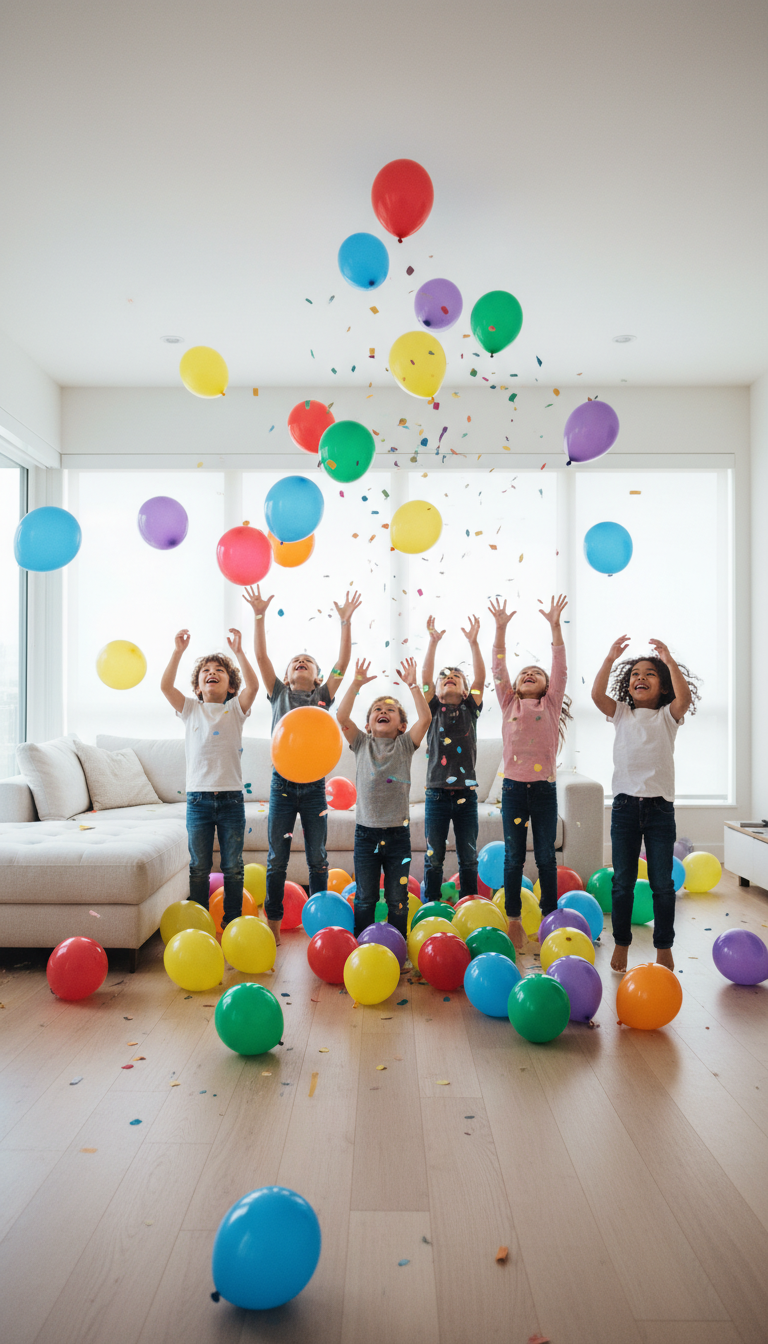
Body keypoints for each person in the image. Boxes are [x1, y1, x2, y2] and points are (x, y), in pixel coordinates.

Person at [243, 584, 361, 944]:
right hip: (282, 785)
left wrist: (345, 622)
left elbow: (342, 665)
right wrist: (259, 615)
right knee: (277, 857)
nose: (300, 663)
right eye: (295, 661)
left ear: (316, 674)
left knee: (318, 858)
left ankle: (321, 925)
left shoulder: (322, 698)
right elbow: (261, 658)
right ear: (288, 673)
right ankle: (274, 923)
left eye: (307, 661)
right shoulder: (279, 693)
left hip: (314, 788)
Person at [591, 636, 700, 972]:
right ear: (628, 684)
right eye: (635, 673)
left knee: (662, 883)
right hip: (624, 808)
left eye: (650, 674)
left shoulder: (668, 715)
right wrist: (610, 658)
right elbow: (596, 696)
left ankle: (663, 946)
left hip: (659, 810)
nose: (640, 677)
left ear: (663, 686)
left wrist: (668, 661)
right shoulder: (621, 713)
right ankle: (621, 942)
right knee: (622, 881)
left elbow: (686, 697)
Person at [160, 627, 258, 929]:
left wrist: (240, 652)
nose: (211, 673)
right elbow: (166, 687)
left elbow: (253, 688)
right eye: (206, 671)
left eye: (219, 671)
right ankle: (198, 924)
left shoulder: (234, 710)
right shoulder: (191, 709)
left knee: (233, 867)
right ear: (199, 686)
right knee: (199, 867)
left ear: (230, 687)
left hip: (230, 799)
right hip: (198, 800)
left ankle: (233, 923)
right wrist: (177, 652)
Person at [489, 595, 571, 953]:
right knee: (513, 856)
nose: (529, 674)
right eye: (524, 673)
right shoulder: (510, 702)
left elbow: (561, 668)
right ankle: (513, 918)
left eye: (536, 673)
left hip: (543, 790)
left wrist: (555, 626)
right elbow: (498, 669)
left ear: (547, 685)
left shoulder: (550, 704)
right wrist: (500, 629)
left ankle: (551, 915)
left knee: (546, 857)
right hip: (513, 789)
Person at [336, 657, 431, 939]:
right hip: (365, 835)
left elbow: (425, 718)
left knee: (397, 899)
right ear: (368, 724)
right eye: (378, 709)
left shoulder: (405, 745)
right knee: (365, 897)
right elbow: (341, 717)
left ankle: (397, 945)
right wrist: (355, 683)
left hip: (398, 836)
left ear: (402, 726)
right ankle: (361, 944)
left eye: (390, 710)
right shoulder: (361, 743)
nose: (383, 711)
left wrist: (413, 685)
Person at [420, 613, 486, 902]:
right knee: (434, 857)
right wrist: (433, 642)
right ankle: (431, 905)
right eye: (444, 677)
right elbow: (424, 680)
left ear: (465, 688)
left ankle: (469, 905)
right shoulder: (433, 709)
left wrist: (473, 643)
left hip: (466, 796)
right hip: (436, 794)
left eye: (456, 677)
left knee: (468, 857)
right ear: (437, 690)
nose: (449, 678)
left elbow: (481, 678)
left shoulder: (471, 707)